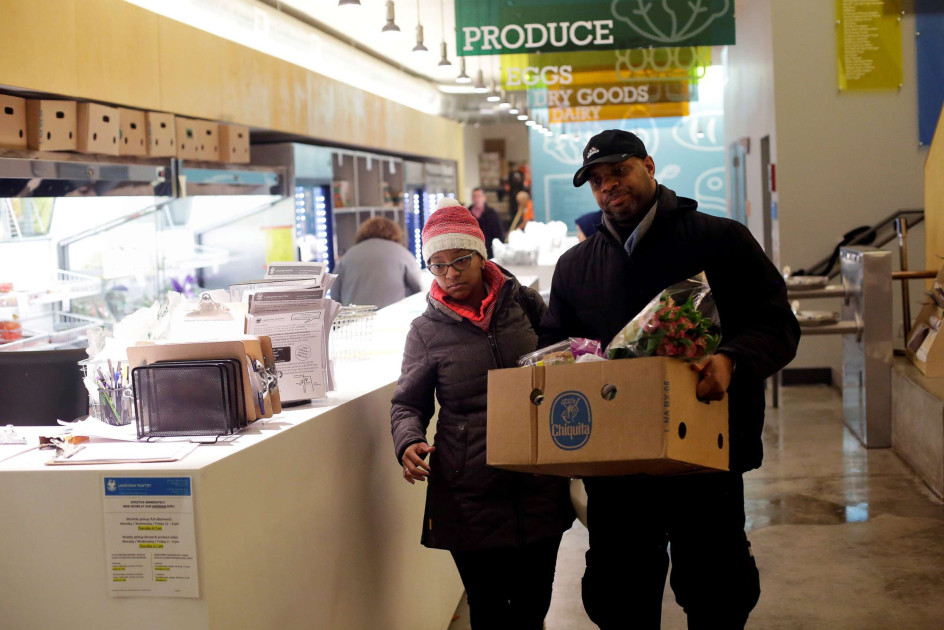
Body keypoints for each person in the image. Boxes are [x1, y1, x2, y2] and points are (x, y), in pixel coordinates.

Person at [541, 129, 800, 629]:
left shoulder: (720, 241)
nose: (608, 186)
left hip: (704, 454)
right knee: (619, 596)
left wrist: (730, 360)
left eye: (619, 171)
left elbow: (777, 325)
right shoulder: (575, 267)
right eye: (596, 180)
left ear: (649, 166)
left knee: (717, 589)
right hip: (616, 462)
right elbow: (558, 347)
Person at [391, 198, 575, 629]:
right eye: (438, 265)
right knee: (488, 608)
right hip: (468, 488)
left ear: (481, 255)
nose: (451, 274)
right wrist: (408, 440)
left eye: (460, 260)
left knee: (533, 605)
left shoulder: (525, 304)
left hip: (537, 478)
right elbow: (407, 403)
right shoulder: (425, 331)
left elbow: (564, 362)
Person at [333, 217, 422, 308]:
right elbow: (420, 287)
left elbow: (334, 292)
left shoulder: (348, 255)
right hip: (393, 314)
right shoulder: (402, 253)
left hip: (355, 314)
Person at [467, 187, 505, 259]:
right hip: (471, 254)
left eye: (479, 196)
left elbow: (499, 234)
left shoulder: (492, 214)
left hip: (489, 253)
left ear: (484, 198)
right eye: (475, 196)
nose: (477, 199)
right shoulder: (467, 214)